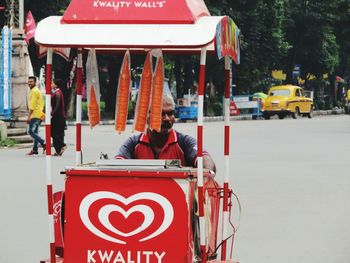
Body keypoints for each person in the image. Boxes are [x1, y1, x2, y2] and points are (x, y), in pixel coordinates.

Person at [115, 94, 216, 172]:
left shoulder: (184, 142)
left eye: (170, 113)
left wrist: (205, 170)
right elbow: (116, 165)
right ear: (146, 116)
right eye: (161, 114)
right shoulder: (133, 143)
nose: (167, 118)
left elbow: (207, 162)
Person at [27, 76, 45, 155]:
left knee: (30, 131)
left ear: (35, 82)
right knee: (35, 132)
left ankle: (43, 143)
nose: (29, 83)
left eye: (31, 82)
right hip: (39, 114)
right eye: (29, 81)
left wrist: (29, 116)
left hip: (35, 114)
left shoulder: (34, 91)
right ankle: (35, 149)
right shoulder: (35, 90)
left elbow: (32, 106)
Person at [51, 79, 67, 156]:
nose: (51, 84)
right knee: (55, 133)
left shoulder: (58, 93)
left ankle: (62, 145)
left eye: (52, 83)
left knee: (56, 133)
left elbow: (57, 105)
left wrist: (52, 113)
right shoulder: (55, 92)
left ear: (56, 85)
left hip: (58, 116)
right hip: (57, 115)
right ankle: (58, 150)